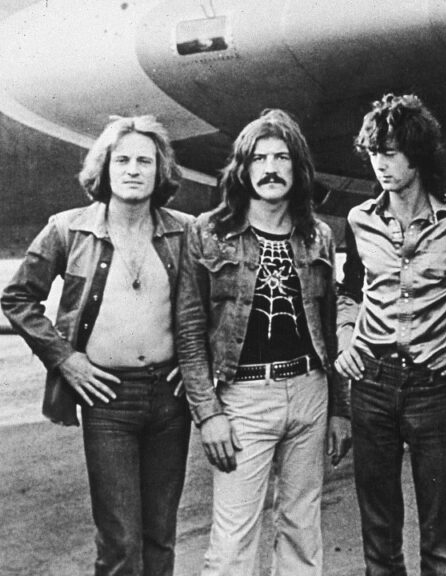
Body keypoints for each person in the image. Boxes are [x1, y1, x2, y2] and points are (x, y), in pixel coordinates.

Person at [0, 115, 193, 576]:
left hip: (170, 399)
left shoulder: (186, 231)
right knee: (120, 542)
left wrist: (194, 361)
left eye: (144, 161)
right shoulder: (67, 229)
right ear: (104, 167)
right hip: (107, 399)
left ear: (161, 170)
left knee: (160, 536)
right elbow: (18, 297)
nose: (133, 170)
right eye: (122, 160)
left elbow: (215, 304)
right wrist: (64, 358)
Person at [175, 109, 351, 576]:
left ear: (298, 168)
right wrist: (209, 413)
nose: (271, 168)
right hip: (243, 400)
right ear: (243, 169)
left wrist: (340, 409)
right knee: (233, 543)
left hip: (310, 393)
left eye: (282, 157)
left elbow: (329, 331)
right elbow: (190, 332)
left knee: (303, 533)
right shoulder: (208, 232)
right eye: (259, 158)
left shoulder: (317, 235)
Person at [335, 93, 446, 576]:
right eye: (374, 153)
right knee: (379, 542)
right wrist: (345, 335)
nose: (380, 164)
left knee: (439, 545)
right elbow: (349, 291)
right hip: (372, 384)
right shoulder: (360, 220)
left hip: (434, 388)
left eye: (390, 152)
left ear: (417, 154)